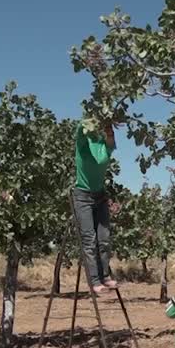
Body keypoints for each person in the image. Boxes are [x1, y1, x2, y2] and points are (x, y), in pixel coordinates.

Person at [73, 116, 117, 294]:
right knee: (89, 240)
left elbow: (111, 141)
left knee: (104, 239)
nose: (108, 134)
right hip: (82, 195)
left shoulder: (105, 145)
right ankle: (94, 280)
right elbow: (80, 129)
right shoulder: (83, 144)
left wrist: (110, 124)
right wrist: (91, 118)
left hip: (100, 196)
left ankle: (105, 276)